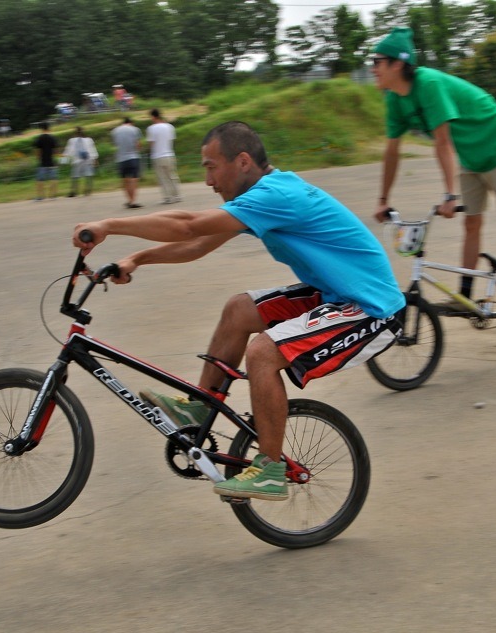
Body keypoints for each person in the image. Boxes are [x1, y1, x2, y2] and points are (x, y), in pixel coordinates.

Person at [73, 121, 404, 501]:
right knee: (238, 310)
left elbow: (188, 225)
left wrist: (109, 226)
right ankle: (201, 405)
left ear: (243, 161)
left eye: (211, 166)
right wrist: (137, 258)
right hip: (334, 294)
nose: (209, 179)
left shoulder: (275, 196)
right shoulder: (260, 198)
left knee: (263, 352)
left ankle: (270, 469)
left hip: (370, 308)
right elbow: (197, 243)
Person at [371, 27, 496, 323]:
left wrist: (450, 196)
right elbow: (392, 151)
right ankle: (466, 298)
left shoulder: (428, 84)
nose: (372, 69)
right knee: (472, 223)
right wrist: (382, 199)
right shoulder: (394, 98)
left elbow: (442, 142)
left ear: (397, 64)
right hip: (470, 155)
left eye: (377, 62)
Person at [146, 109, 182, 204]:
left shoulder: (151, 128)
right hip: (169, 154)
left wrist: (149, 151)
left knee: (162, 178)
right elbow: (171, 140)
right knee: (172, 176)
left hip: (157, 156)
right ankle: (177, 195)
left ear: (153, 116)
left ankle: (168, 197)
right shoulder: (170, 127)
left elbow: (151, 143)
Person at [110, 117, 143, 208]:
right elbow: (138, 144)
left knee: (125, 181)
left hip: (121, 158)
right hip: (133, 157)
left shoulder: (115, 131)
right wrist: (139, 149)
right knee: (134, 180)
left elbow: (115, 144)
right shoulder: (135, 129)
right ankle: (133, 201)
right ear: (131, 122)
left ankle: (129, 200)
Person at [62, 126, 99, 197]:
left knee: (75, 177)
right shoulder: (89, 140)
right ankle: (88, 190)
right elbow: (93, 150)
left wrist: (64, 161)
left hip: (77, 160)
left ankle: (74, 191)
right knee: (88, 175)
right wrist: (95, 159)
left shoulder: (72, 140)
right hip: (87, 160)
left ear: (75, 132)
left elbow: (68, 151)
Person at [33, 121, 58, 201]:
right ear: (49, 128)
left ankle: (40, 196)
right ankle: (53, 195)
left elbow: (37, 151)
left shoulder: (39, 138)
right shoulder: (52, 138)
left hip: (42, 162)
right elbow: (55, 150)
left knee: (40, 180)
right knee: (53, 178)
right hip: (51, 161)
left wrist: (38, 158)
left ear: (41, 128)